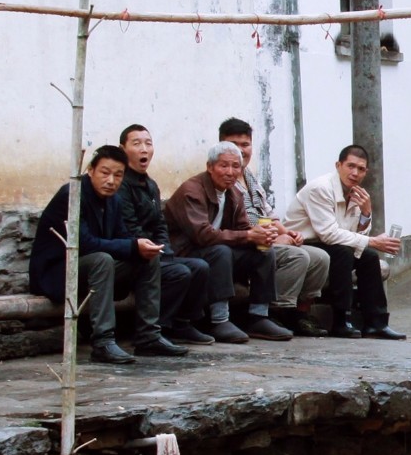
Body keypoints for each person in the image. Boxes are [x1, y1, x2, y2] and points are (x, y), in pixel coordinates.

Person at [28, 146, 194, 364]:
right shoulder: (72, 195)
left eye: (118, 175)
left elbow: (122, 237)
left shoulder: (114, 200)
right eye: (105, 173)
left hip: (93, 270)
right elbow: (84, 243)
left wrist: (140, 247)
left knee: (147, 259)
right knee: (102, 259)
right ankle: (103, 342)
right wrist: (132, 246)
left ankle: (148, 336)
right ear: (90, 171)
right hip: (58, 272)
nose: (111, 181)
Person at [164, 143, 291, 343]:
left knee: (264, 251)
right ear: (210, 167)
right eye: (224, 166)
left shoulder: (234, 193)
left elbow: (242, 230)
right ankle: (219, 319)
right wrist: (249, 235)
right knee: (220, 251)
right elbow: (202, 236)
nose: (230, 172)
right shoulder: (192, 190)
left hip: (213, 251)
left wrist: (260, 235)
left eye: (235, 167)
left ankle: (259, 316)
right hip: (185, 253)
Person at [218, 118, 331, 337]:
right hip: (246, 242)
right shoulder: (225, 176)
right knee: (297, 257)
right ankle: (276, 312)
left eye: (246, 144)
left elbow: (268, 213)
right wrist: (269, 239)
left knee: (320, 257)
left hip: (265, 236)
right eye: (234, 144)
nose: (241, 151)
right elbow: (234, 223)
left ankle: (299, 313)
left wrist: (287, 232)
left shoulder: (251, 176)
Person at [283, 144, 406, 340]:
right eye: (350, 166)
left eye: (361, 169)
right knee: (344, 253)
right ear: (338, 165)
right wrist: (372, 240)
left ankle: (377, 323)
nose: (355, 172)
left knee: (369, 257)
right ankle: (341, 320)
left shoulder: (356, 193)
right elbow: (329, 235)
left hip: (330, 245)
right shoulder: (321, 188)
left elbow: (350, 234)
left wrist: (365, 214)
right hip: (302, 244)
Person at [117, 123, 219, 346]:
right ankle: (155, 329)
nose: (144, 149)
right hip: (134, 256)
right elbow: (129, 227)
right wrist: (152, 251)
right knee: (180, 273)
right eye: (137, 144)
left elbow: (160, 224)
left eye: (148, 143)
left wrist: (165, 250)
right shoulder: (120, 184)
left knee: (200, 267)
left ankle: (182, 324)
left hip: (156, 253)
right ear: (123, 149)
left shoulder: (151, 185)